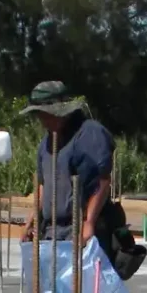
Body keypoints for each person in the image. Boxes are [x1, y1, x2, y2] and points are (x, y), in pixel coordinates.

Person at [22, 80, 115, 247]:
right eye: (40, 116)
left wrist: (89, 222)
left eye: (46, 115)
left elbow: (103, 180)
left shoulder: (89, 133)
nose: (43, 121)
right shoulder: (46, 143)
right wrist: (32, 220)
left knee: (81, 273)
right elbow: (44, 185)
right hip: (52, 231)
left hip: (78, 228)